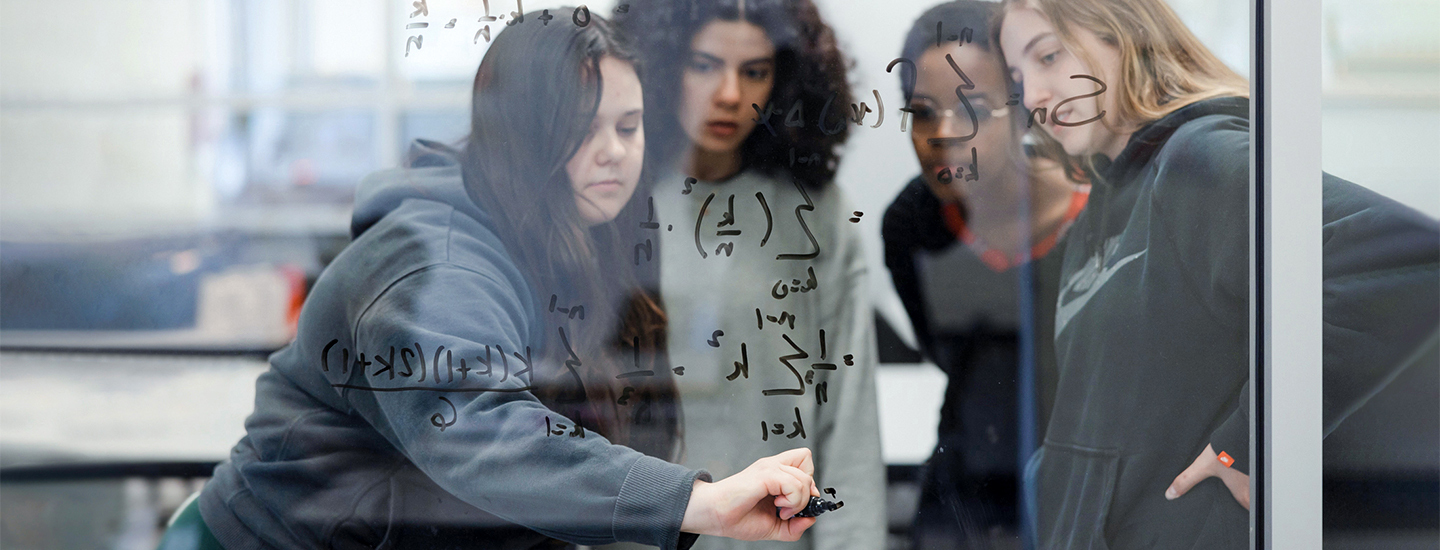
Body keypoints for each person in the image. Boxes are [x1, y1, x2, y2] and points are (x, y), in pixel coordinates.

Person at [166, 15, 827, 550]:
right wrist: (694, 502)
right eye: (581, 129)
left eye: (628, 126)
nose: (616, 152)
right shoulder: (434, 262)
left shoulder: (580, 230)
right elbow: (483, 432)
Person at [997, 0, 1440, 547]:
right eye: (1019, 77)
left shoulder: (1198, 159)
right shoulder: (1101, 211)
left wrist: (1249, 443)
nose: (1034, 96)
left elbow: (1410, 256)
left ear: (1123, 33)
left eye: (1048, 55)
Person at [612, 2, 887, 549]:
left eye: (755, 71)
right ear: (663, 65)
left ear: (784, 78)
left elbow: (847, 421)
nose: (731, 94)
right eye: (704, 64)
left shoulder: (818, 215)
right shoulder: (612, 202)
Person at [880, 2, 1089, 548]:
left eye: (971, 107)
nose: (943, 133)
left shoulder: (1102, 213)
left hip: (1087, 487)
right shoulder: (913, 226)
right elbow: (946, 354)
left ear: (1020, 109)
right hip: (966, 487)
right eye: (922, 111)